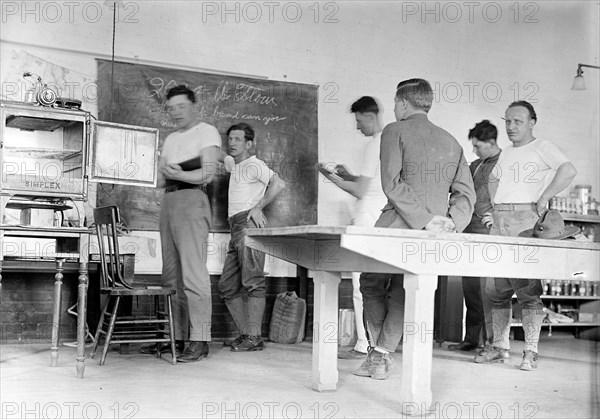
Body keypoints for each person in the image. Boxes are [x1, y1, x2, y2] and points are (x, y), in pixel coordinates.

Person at [354, 78, 475, 380]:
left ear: (404, 103)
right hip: (433, 233)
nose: (393, 109)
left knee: (370, 283)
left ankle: (378, 355)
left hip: (397, 224)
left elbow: (392, 184)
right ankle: (380, 355)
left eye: (395, 103)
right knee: (403, 289)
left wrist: (423, 218)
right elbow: (466, 195)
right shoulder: (452, 141)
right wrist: (449, 223)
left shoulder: (395, 131)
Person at [474, 101, 577, 371]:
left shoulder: (542, 147)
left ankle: (530, 352)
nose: (511, 126)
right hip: (500, 221)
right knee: (495, 290)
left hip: (524, 221)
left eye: (517, 121)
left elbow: (568, 170)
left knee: (527, 290)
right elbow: (494, 180)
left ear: (532, 122)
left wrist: (544, 196)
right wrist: (494, 210)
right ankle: (499, 347)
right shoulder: (506, 153)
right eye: (507, 121)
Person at [141, 85, 221, 362]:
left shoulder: (206, 131)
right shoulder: (171, 138)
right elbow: (161, 181)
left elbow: (207, 174)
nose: (176, 112)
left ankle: (199, 340)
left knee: (193, 275)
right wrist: (164, 171)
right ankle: (173, 337)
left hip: (192, 201)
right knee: (170, 276)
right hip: (170, 202)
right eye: (171, 108)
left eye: (181, 107)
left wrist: (178, 173)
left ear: (193, 105)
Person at [317, 96, 388, 360]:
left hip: (367, 219)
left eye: (359, 121)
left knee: (361, 285)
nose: (358, 127)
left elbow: (360, 191)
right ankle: (376, 341)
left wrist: (332, 177)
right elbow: (370, 183)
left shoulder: (374, 144)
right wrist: (346, 173)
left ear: (369, 116)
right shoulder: (390, 142)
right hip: (381, 217)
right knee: (376, 285)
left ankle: (363, 341)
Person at [218, 123, 285, 352]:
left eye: (238, 139)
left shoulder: (255, 164)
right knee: (227, 286)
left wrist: (258, 207)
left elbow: (279, 183)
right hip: (235, 228)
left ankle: (254, 337)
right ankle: (248, 334)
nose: (232, 143)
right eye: (230, 139)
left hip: (247, 225)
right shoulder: (235, 167)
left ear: (249, 143)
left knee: (253, 283)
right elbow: (219, 155)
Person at [448, 120, 500, 352]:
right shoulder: (475, 165)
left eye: (478, 146)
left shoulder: (504, 163)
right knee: (469, 285)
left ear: (491, 142)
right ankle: (471, 338)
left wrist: (496, 216)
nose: (475, 150)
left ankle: (490, 342)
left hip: (487, 231)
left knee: (486, 288)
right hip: (468, 228)